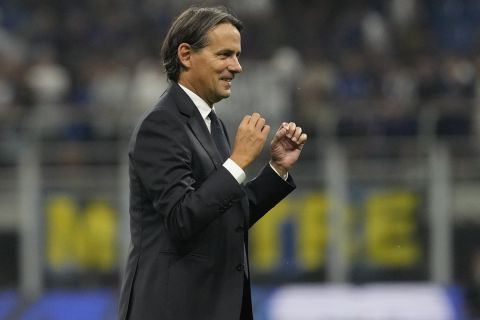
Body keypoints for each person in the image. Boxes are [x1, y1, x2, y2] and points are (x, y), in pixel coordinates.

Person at [118, 6, 307, 320]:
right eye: (225, 55)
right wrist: (238, 161)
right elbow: (182, 218)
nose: (237, 67)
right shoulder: (161, 125)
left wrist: (276, 169)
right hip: (173, 309)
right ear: (186, 55)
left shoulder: (211, 123)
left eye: (237, 55)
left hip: (208, 305)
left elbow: (226, 213)